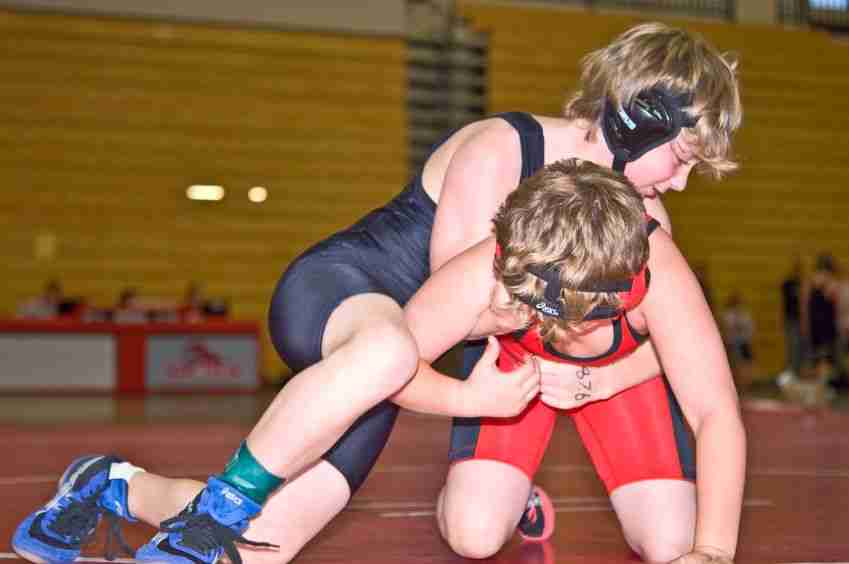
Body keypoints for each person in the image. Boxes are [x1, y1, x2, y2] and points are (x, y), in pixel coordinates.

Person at [11, 22, 742, 564]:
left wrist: (591, 370)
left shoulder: (640, 218)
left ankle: (116, 487)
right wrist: (489, 400)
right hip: (356, 294)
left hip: (414, 352)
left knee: (265, 547)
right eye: (679, 157)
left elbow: (674, 357)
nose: (678, 181)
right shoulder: (502, 148)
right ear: (633, 119)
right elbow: (464, 313)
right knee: (390, 352)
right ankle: (226, 501)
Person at [400, 159, 745, 563]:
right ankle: (512, 495)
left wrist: (713, 552)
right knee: (473, 534)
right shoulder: (489, 268)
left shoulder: (657, 272)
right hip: (513, 373)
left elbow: (714, 411)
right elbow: (389, 370)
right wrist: (470, 399)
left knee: (674, 546)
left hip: (625, 376)